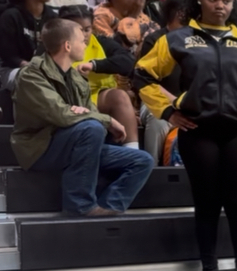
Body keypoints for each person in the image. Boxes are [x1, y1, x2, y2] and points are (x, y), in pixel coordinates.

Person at [135, 0, 237, 271]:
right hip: (198, 131)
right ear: (200, 0)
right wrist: (168, 111)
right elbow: (141, 75)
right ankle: (209, 268)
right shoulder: (176, 39)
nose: (220, 5)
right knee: (207, 203)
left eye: (227, 0)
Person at [12, 19, 153, 217]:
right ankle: (79, 206)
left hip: (77, 145)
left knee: (143, 160)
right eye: (82, 40)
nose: (86, 44)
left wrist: (88, 115)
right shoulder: (31, 75)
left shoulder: (78, 78)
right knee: (91, 127)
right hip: (40, 147)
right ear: (67, 46)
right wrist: (107, 119)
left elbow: (89, 115)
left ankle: (107, 207)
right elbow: (60, 114)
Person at [60, 5, 141, 151]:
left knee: (120, 96)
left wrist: (95, 65)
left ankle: (133, 152)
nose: (84, 35)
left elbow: (127, 62)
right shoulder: (53, 46)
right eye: (78, 30)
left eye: (87, 29)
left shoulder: (101, 43)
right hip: (66, 100)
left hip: (96, 96)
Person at [0, 0, 57, 91]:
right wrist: (27, 65)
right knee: (33, 78)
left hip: (44, 70)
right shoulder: (11, 16)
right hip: (12, 69)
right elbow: (6, 54)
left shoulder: (53, 19)